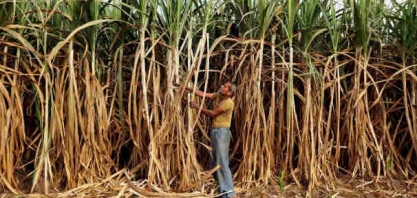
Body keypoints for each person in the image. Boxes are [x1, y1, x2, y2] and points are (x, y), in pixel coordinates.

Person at [186, 81, 238, 198]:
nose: (221, 86)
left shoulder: (228, 102)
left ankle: (230, 194)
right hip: (216, 131)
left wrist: (197, 106)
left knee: (222, 162)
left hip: (222, 132)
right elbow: (204, 94)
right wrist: (189, 89)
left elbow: (212, 114)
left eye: (224, 86)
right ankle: (223, 191)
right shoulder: (219, 96)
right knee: (215, 161)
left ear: (229, 93)